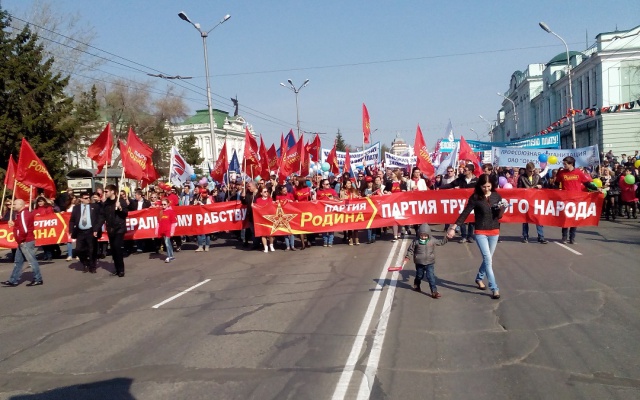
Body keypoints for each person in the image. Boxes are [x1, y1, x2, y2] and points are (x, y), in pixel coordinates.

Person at [447, 174, 509, 299]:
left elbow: (499, 216)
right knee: (488, 259)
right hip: (481, 231)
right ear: (479, 186)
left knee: (488, 259)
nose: (486, 189)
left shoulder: (496, 196)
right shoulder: (475, 197)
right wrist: (453, 227)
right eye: (484, 186)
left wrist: (503, 208)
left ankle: (479, 278)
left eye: (488, 186)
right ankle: (494, 288)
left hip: (494, 231)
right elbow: (465, 213)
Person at [1, 199, 43, 286]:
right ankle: (13, 280)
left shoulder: (24, 213)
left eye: (15, 204)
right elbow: (21, 226)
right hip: (23, 241)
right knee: (18, 261)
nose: (13, 206)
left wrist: (21, 240)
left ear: (21, 205)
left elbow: (24, 229)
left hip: (25, 241)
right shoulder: (20, 214)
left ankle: (38, 279)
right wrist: (14, 224)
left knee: (31, 261)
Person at [556, 156, 596, 244]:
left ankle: (572, 238)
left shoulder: (578, 172)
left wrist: (596, 188)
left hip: (577, 200)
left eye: (565, 164)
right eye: (563, 164)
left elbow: (587, 183)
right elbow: (556, 183)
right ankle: (564, 237)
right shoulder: (562, 173)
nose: (564, 165)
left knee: (574, 219)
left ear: (571, 164)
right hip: (566, 199)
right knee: (566, 218)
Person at [402, 223, 448, 299]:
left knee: (431, 277)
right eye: (422, 235)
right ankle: (417, 284)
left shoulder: (432, 240)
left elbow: (440, 242)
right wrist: (407, 257)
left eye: (425, 236)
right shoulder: (416, 241)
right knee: (419, 275)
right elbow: (410, 250)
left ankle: (434, 292)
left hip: (430, 262)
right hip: (419, 262)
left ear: (428, 235)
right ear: (419, 234)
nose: (423, 237)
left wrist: (447, 238)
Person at [441, 163, 478, 243]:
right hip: (462, 202)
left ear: (470, 171)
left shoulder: (476, 180)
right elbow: (451, 185)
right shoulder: (461, 179)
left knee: (472, 219)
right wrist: (440, 188)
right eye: (464, 169)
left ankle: (470, 235)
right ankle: (463, 236)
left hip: (473, 202)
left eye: (465, 170)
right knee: (462, 218)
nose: (463, 171)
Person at [68, 191, 102, 273]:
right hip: (80, 232)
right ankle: (85, 263)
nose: (88, 199)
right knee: (79, 250)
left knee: (92, 250)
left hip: (91, 231)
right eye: (86, 198)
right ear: (81, 199)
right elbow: (72, 220)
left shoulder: (94, 206)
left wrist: (96, 229)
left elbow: (100, 218)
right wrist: (71, 230)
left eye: (89, 198)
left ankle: (92, 266)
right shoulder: (76, 208)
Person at [101, 185, 129, 277]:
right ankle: (117, 269)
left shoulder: (120, 201)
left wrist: (120, 208)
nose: (105, 193)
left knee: (117, 247)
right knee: (113, 249)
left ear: (112, 191)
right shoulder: (106, 203)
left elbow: (125, 214)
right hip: (110, 229)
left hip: (119, 228)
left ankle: (121, 270)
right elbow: (102, 216)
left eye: (106, 191)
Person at [517, 162, 548, 244]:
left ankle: (541, 237)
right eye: (530, 171)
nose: (532, 172)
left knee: (538, 219)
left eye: (533, 171)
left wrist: (540, 186)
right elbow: (519, 189)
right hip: (526, 200)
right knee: (525, 219)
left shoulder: (537, 177)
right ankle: (525, 236)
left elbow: (542, 185)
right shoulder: (522, 177)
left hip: (536, 200)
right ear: (526, 170)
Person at [316, 179, 338, 247]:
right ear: (323, 185)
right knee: (324, 227)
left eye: (329, 184)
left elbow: (337, 199)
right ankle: (325, 240)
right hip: (322, 211)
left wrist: (333, 199)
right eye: (327, 184)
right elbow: (316, 201)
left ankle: (330, 241)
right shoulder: (319, 192)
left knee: (331, 226)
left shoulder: (332, 191)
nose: (328, 185)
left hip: (331, 211)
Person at [275, 185, 296, 250]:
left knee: (291, 231)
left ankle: (292, 245)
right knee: (285, 232)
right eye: (284, 191)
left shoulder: (290, 195)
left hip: (290, 214)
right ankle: (287, 246)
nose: (285, 191)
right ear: (280, 191)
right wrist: (277, 202)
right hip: (282, 215)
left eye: (286, 190)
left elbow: (294, 203)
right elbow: (276, 205)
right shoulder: (278, 197)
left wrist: (292, 202)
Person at [255, 187, 275, 252]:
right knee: (263, 234)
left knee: (270, 234)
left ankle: (271, 245)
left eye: (267, 191)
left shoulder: (270, 199)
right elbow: (257, 208)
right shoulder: (258, 200)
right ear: (261, 193)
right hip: (262, 219)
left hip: (269, 218)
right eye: (264, 192)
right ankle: (265, 246)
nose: (266, 193)